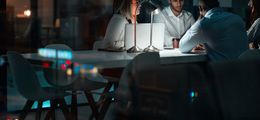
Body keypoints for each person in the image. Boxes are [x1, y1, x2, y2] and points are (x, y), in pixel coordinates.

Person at [179, 0, 248, 61]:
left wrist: (199, 20)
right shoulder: (237, 18)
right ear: (218, 4)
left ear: (200, 8)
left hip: (222, 72)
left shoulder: (204, 23)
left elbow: (182, 47)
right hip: (245, 71)